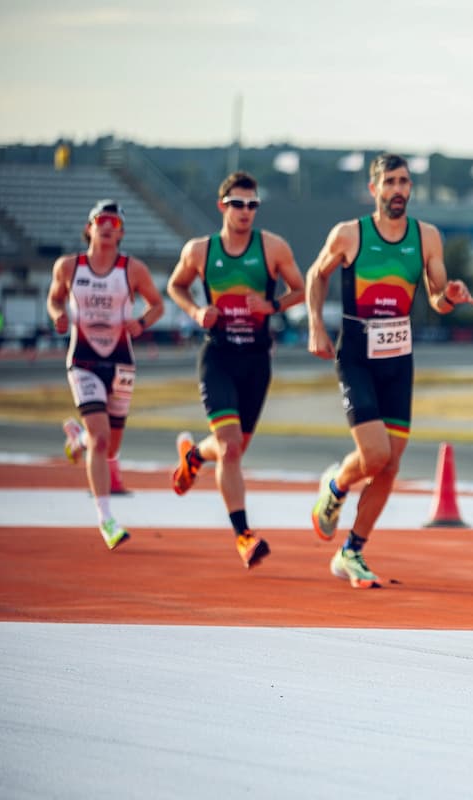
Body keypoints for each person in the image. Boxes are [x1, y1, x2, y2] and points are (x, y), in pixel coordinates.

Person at [307, 153, 473, 589]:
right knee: (374, 455)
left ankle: (352, 552)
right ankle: (336, 486)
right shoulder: (349, 234)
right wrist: (315, 327)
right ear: (374, 189)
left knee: (389, 465)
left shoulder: (427, 237)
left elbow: (437, 298)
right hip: (357, 356)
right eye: (391, 182)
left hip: (399, 359)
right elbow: (315, 275)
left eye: (405, 182)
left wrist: (450, 296)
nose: (399, 190)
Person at [166, 172, 305, 569]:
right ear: (222, 206)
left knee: (232, 448)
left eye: (252, 204)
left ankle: (193, 456)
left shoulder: (273, 248)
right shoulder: (200, 250)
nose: (246, 212)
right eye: (238, 204)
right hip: (219, 357)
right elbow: (176, 286)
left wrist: (273, 306)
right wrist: (195, 310)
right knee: (228, 448)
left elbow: (303, 288)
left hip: (257, 361)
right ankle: (244, 535)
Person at [48, 199, 164, 550]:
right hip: (82, 358)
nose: (108, 226)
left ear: (122, 231)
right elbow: (54, 299)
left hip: (121, 360)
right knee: (101, 440)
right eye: (102, 219)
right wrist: (58, 315)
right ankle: (106, 519)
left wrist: (141, 322)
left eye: (114, 221)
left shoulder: (133, 269)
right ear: (90, 227)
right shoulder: (69, 266)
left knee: (109, 445)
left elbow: (157, 304)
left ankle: (77, 440)